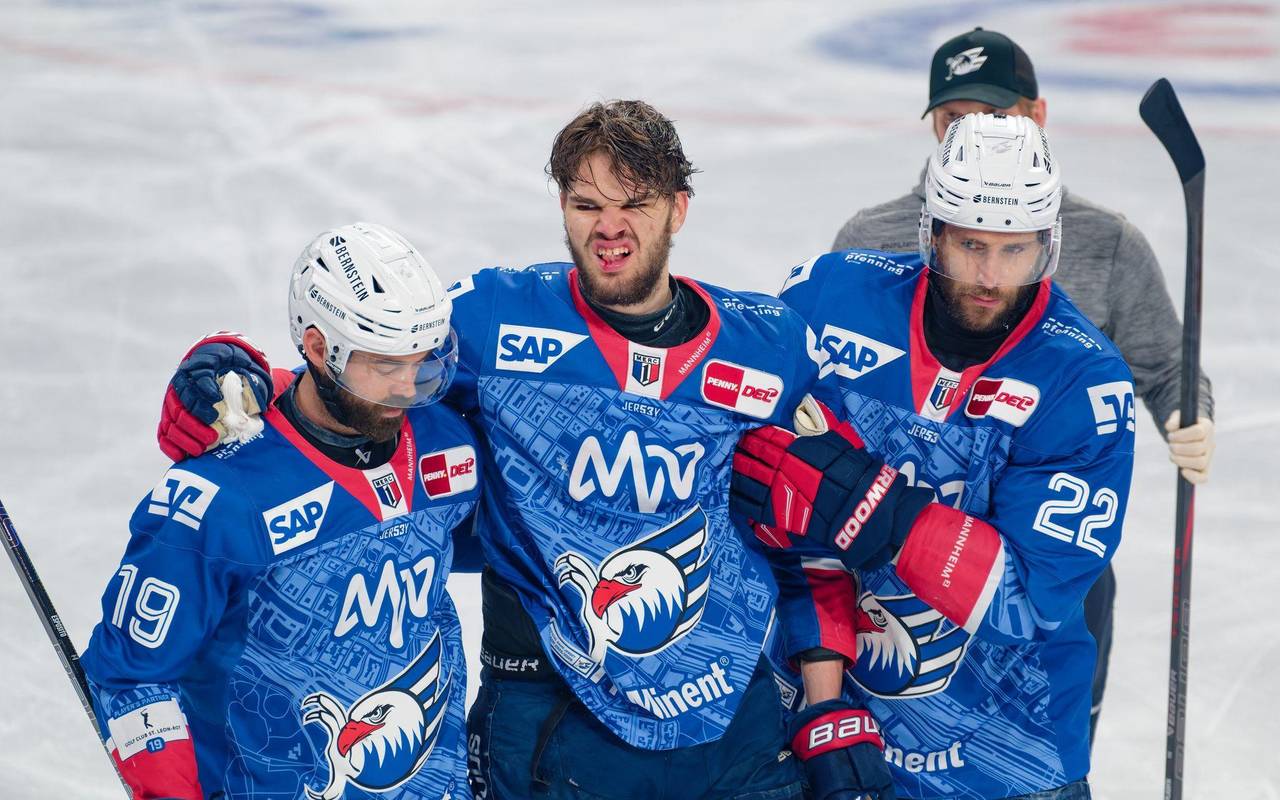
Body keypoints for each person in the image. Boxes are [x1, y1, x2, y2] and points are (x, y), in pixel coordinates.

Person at [153, 101, 894, 800]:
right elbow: (371, 371)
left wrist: (823, 698)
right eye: (586, 205)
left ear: (678, 207)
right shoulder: (491, 319)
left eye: (633, 203)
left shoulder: (769, 343)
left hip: (734, 722)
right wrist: (241, 376)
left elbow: (816, 536)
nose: (610, 228)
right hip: (554, 723)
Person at [732, 113, 1134, 798]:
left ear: (1049, 244)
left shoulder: (1082, 382)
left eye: (1016, 252)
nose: (989, 276)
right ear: (932, 233)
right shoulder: (829, 300)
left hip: (1013, 753)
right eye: (970, 247)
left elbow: (1024, 602)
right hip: (831, 717)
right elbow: (776, 511)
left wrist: (870, 503)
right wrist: (823, 697)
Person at [830, 26, 1215, 740]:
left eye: (996, 116)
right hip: (892, 561)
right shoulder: (871, 240)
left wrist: (1190, 416)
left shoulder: (1107, 242)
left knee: (1040, 752)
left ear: (1037, 116)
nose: (974, 132)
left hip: (1046, 562)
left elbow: (1165, 368)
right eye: (954, 119)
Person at [82, 223, 481, 799]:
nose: (406, 389)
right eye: (384, 367)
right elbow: (132, 676)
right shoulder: (221, 498)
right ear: (319, 348)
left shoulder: (447, 443)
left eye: (420, 364)